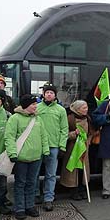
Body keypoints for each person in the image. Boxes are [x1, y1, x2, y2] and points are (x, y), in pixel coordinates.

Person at [5, 94, 50, 220]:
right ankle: (19, 208)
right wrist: (12, 153)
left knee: (31, 183)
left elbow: (43, 136)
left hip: (36, 157)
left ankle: (30, 206)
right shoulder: (15, 119)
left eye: (36, 104)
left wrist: (45, 151)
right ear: (26, 106)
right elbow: (9, 137)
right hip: (21, 158)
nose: (36, 106)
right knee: (20, 183)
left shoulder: (38, 119)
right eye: (33, 104)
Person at [35, 83, 69, 211]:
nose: (49, 94)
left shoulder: (60, 110)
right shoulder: (37, 108)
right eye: (47, 92)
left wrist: (62, 146)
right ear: (43, 94)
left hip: (54, 147)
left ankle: (48, 198)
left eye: (51, 92)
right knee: (35, 173)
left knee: (51, 174)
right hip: (38, 146)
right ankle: (36, 195)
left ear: (55, 95)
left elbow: (64, 129)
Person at [60, 100, 93, 200]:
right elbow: (64, 133)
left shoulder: (87, 118)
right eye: (84, 108)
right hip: (72, 148)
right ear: (78, 109)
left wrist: (88, 141)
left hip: (84, 148)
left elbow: (91, 132)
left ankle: (82, 189)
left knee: (83, 169)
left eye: (86, 107)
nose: (86, 110)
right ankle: (73, 191)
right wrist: (74, 134)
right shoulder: (70, 118)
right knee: (73, 169)